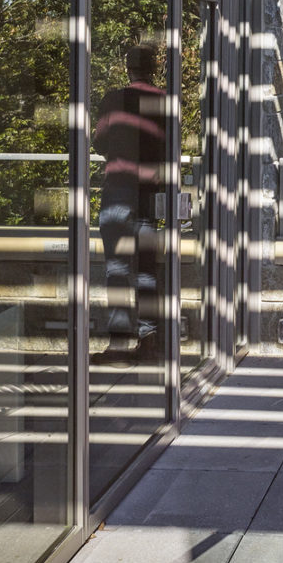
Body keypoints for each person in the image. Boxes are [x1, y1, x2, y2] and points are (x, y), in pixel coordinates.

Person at [94, 44, 165, 360]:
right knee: (147, 268)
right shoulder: (163, 101)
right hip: (148, 192)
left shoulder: (114, 99)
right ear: (153, 69)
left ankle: (120, 344)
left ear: (128, 68)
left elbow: (98, 141)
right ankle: (149, 336)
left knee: (118, 269)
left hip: (119, 189)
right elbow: (169, 147)